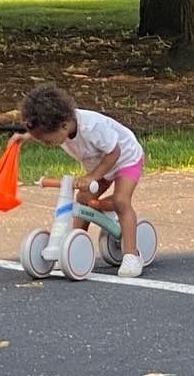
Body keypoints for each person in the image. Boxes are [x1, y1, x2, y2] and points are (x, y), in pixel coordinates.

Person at [11, 86, 147, 278]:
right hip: (100, 165)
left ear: (64, 126)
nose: (46, 144)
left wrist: (92, 177)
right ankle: (72, 247)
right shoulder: (60, 126)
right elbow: (43, 132)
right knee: (83, 199)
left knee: (121, 201)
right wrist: (24, 137)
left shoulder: (92, 127)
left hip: (125, 159)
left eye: (47, 141)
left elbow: (114, 152)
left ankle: (132, 255)